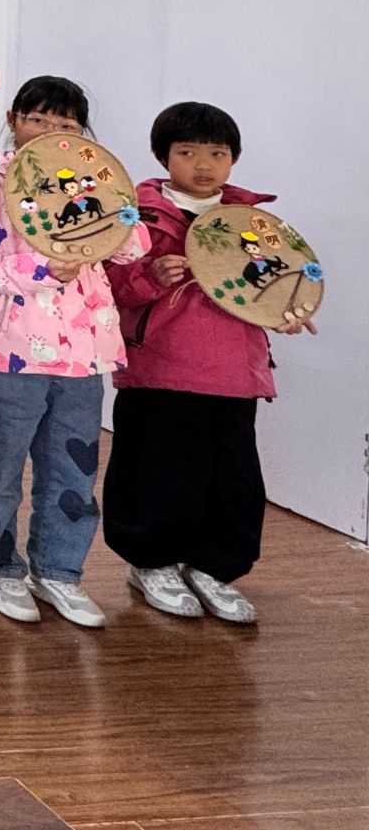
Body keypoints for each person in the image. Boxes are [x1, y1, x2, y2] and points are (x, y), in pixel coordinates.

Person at [105, 102, 310, 624]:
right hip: (160, 370)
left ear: (233, 158)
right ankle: (151, 564)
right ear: (163, 156)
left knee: (231, 479)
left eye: (217, 153)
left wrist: (289, 312)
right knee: (155, 471)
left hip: (235, 373)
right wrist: (151, 276)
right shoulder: (136, 214)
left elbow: (275, 284)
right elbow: (109, 286)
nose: (203, 164)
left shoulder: (252, 222)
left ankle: (213, 569)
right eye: (187, 152)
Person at [0, 77, 148, 629]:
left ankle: (60, 572)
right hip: (6, 353)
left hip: (83, 355)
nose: (49, 131)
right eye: (37, 119)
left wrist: (108, 209)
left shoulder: (94, 179)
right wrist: (42, 269)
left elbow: (133, 246)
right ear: (13, 120)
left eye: (65, 124)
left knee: (73, 470)